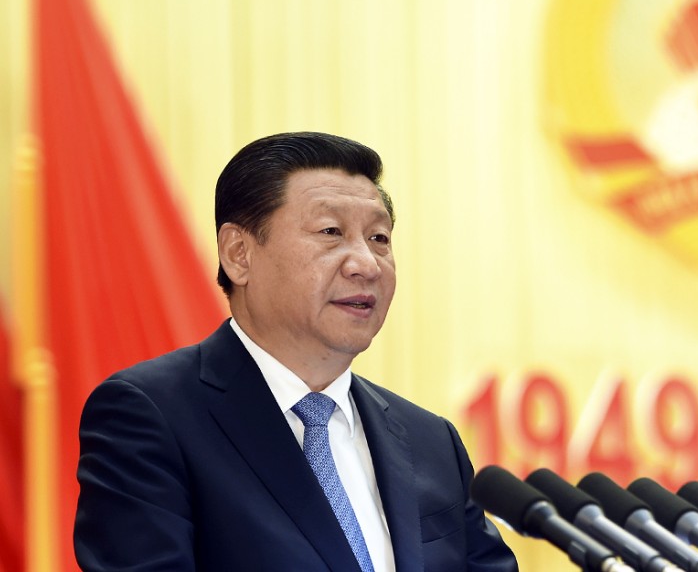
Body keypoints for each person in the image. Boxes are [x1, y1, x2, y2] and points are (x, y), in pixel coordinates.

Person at [74, 132, 518, 572]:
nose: (365, 264)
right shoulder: (151, 415)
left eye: (379, 238)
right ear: (238, 254)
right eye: (331, 232)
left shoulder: (430, 440)